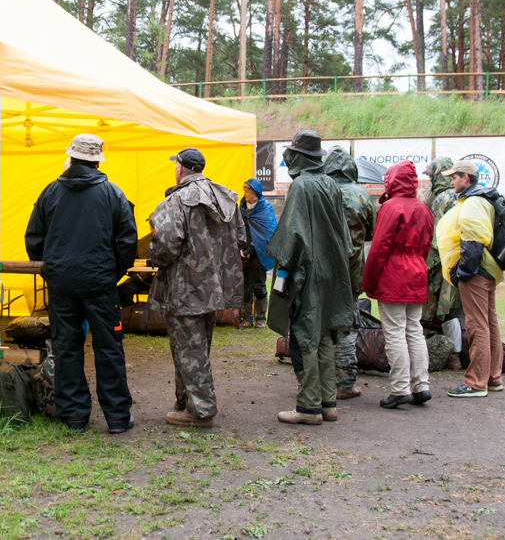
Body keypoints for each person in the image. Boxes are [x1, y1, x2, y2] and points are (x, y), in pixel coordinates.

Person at [25, 134, 139, 433]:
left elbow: (34, 240)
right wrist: (110, 272)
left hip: (62, 285)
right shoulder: (113, 194)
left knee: (66, 348)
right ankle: (116, 417)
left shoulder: (49, 192)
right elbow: (128, 242)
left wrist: (53, 271)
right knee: (109, 348)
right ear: (97, 160)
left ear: (71, 157)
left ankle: (74, 416)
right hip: (100, 285)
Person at [148, 147, 246, 428]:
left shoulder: (176, 200)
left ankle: (200, 410)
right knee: (196, 347)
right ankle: (186, 401)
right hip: (215, 287)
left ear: (180, 168)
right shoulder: (225, 197)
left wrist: (155, 256)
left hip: (185, 287)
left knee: (189, 349)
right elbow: (241, 238)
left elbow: (165, 244)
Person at [266, 131, 353, 425]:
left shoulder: (301, 186)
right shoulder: (330, 184)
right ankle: (328, 403)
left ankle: (308, 407)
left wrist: (282, 275)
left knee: (305, 336)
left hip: (308, 273)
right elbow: (343, 234)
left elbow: (292, 234)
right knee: (326, 333)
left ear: (298, 157)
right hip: (333, 272)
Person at [361, 161, 436, 408]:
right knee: (414, 330)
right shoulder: (424, 209)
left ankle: (400, 389)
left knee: (394, 332)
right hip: (416, 274)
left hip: (393, 275)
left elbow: (379, 247)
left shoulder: (390, 208)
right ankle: (421, 385)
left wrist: (369, 281)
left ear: (392, 181)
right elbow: (425, 247)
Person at [435, 160, 505, 398]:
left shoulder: (473, 202)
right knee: (489, 323)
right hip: (487, 270)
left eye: (454, 177)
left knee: (477, 325)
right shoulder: (485, 199)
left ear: (466, 178)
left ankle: (476, 382)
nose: (451, 180)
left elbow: (473, 240)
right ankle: (493, 377)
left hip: (475, 272)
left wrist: (462, 273)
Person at [322, 146, 377, 400]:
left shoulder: (320, 190)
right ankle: (346, 382)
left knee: (320, 324)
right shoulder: (362, 196)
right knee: (348, 325)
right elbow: (371, 234)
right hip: (352, 272)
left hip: (321, 270)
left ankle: (321, 380)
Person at [419, 157, 461, 327]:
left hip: (444, 263)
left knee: (442, 310)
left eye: (431, 178)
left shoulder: (442, 199)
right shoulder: (464, 195)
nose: (430, 182)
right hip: (465, 262)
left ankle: (450, 350)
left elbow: (436, 241)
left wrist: (428, 267)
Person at [239, 178, 277, 328]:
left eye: (248, 192)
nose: (245, 194)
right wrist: (242, 248)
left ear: (255, 193)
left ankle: (260, 317)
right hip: (244, 252)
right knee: (245, 286)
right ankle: (246, 318)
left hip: (259, 252)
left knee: (259, 285)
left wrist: (254, 248)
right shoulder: (241, 207)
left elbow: (268, 232)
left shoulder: (265, 208)